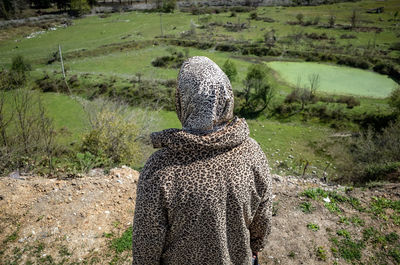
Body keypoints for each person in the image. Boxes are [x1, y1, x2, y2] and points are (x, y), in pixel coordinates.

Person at [132, 56, 272, 265]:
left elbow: (146, 246)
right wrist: (255, 249)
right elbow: (263, 220)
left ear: (182, 99)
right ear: (226, 96)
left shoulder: (160, 169)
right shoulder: (252, 152)